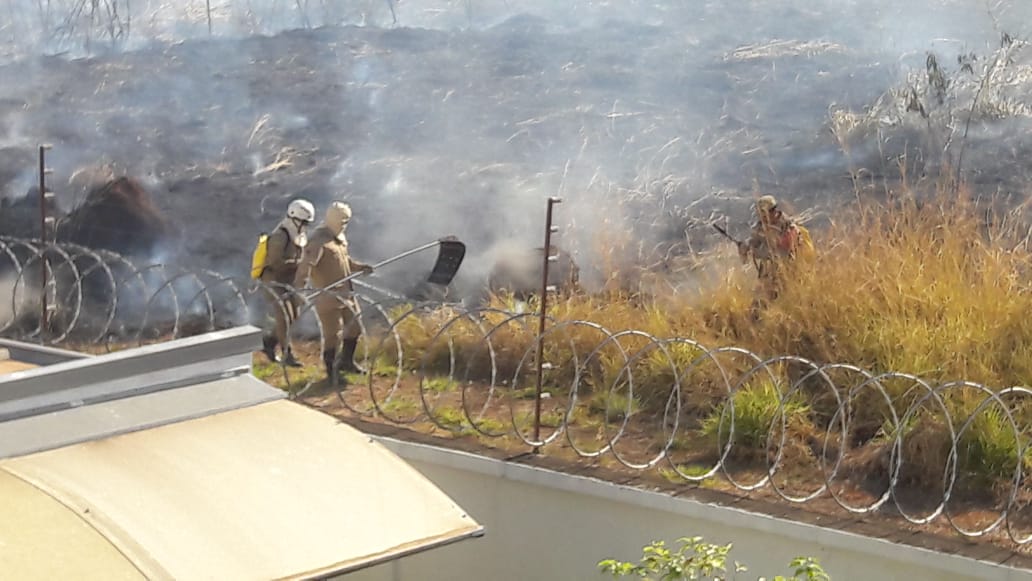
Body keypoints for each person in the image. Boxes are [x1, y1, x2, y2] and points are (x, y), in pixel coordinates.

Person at [293, 201, 374, 384]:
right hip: (328, 297)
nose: (344, 225)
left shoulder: (339, 240)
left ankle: (347, 362)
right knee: (332, 334)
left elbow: (345, 262)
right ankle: (331, 371)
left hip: (347, 295)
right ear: (332, 219)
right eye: (342, 221)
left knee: (354, 328)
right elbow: (306, 266)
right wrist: (299, 289)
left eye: (346, 221)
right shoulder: (318, 242)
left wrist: (361, 267)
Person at [258, 198, 315, 366]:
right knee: (284, 316)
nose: (305, 225)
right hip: (274, 280)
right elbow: (275, 263)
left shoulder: (298, 234)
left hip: (288, 280)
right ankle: (286, 354)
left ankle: (269, 342)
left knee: (294, 315)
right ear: (293, 218)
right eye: (303, 221)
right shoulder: (280, 236)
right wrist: (298, 264)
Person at [738, 195, 801, 302]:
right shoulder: (761, 226)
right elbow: (754, 240)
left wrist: (756, 252)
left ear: (773, 211)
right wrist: (745, 247)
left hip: (787, 274)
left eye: (764, 214)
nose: (761, 218)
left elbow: (782, 253)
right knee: (759, 303)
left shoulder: (788, 227)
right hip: (767, 274)